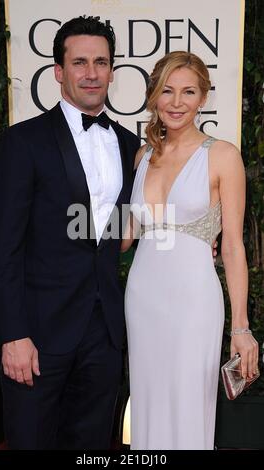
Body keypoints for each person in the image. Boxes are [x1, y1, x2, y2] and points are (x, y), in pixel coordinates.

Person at [0, 16, 140, 450]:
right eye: (80, 62)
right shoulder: (23, 142)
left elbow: (125, 228)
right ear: (59, 71)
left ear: (112, 70)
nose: (92, 73)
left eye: (101, 62)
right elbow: (1, 249)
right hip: (37, 334)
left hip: (105, 335)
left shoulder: (130, 145)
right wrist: (13, 334)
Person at [121, 51, 259, 450]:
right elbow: (126, 235)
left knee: (190, 405)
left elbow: (232, 246)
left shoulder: (222, 155)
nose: (176, 102)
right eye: (167, 91)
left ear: (203, 98)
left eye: (188, 92)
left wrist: (241, 325)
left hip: (194, 300)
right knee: (147, 402)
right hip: (143, 298)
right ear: (154, 96)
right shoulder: (143, 155)